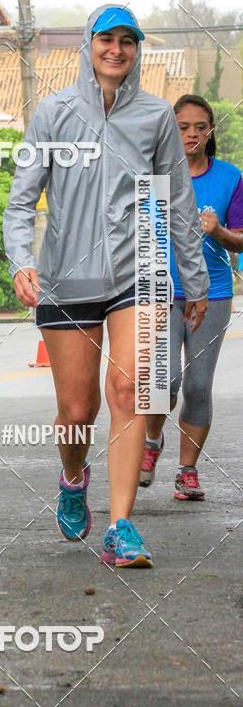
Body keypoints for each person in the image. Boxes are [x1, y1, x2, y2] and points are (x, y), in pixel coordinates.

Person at [3, 4, 209, 568]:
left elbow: (178, 203)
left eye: (127, 40)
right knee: (76, 410)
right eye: (106, 39)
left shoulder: (156, 116)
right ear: (88, 45)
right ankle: (73, 476)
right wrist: (22, 260)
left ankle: (121, 526)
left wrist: (192, 279)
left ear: (137, 49)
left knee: (129, 391)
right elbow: (21, 199)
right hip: (67, 279)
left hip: (136, 275)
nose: (116, 49)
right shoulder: (53, 112)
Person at [140, 95, 243, 498]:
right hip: (160, 293)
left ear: (211, 130)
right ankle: (150, 443)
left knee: (198, 386)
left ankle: (187, 470)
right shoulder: (153, 178)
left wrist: (218, 232)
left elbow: (241, 240)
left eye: (200, 126)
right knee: (164, 380)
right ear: (170, 130)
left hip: (214, 294)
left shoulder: (230, 178)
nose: (192, 134)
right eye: (183, 127)